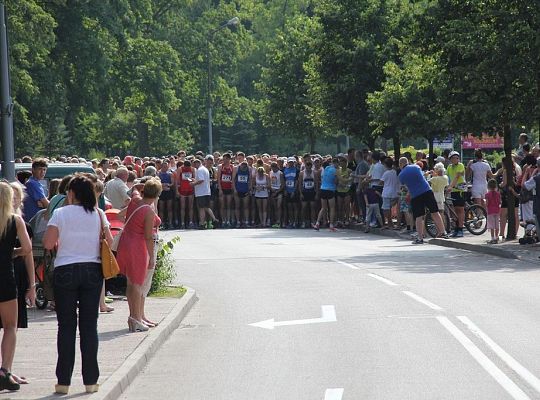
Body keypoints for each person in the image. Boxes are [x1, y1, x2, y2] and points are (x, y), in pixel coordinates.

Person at [43, 175, 111, 394]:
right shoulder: (98, 214)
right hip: (92, 270)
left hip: (65, 270)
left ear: (71, 193)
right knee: (89, 327)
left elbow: (48, 243)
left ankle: (63, 382)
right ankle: (91, 381)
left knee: (66, 326)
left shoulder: (60, 213)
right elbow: (109, 241)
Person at [115, 178, 162, 333]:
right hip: (137, 246)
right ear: (158, 194)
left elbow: (135, 188)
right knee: (137, 283)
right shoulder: (148, 210)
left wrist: (142, 186)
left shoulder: (135, 201)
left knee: (131, 283)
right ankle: (135, 318)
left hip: (126, 244)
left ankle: (133, 316)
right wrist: (152, 257)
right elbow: (148, 236)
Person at [0, 182, 33, 392]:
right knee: (10, 326)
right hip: (5, 276)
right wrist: (13, 252)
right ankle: (5, 370)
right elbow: (28, 248)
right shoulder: (15, 220)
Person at [398, 157, 446, 244]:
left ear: (400, 164)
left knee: (419, 217)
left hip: (415, 195)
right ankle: (443, 232)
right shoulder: (416, 167)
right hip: (427, 191)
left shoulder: (401, 175)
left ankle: (420, 238)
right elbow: (421, 176)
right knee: (435, 212)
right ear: (408, 162)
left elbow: (404, 184)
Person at [192, 156, 219, 229]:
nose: (194, 166)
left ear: (197, 163)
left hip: (201, 192)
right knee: (206, 207)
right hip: (206, 191)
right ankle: (214, 219)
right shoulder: (205, 169)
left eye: (194, 164)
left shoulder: (200, 170)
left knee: (201, 208)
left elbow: (201, 180)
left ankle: (202, 223)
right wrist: (195, 180)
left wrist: (193, 183)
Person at [313, 158, 339, 232]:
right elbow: (336, 181)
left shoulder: (327, 168)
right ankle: (331, 225)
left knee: (323, 208)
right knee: (332, 208)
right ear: (335, 163)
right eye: (338, 164)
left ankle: (317, 223)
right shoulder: (336, 171)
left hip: (323, 189)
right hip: (330, 190)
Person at [446, 151, 466, 237]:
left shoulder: (460, 165)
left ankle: (460, 229)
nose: (456, 159)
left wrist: (450, 186)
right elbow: (448, 178)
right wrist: (446, 186)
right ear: (450, 159)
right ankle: (456, 229)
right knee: (455, 211)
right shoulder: (449, 167)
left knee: (460, 210)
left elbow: (457, 177)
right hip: (453, 190)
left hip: (460, 189)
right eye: (453, 158)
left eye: (457, 158)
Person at [380, 158, 400, 229]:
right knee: (390, 208)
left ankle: (389, 223)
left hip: (386, 192)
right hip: (395, 192)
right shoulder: (395, 172)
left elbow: (381, 182)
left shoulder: (386, 173)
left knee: (386, 209)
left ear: (385, 165)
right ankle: (391, 223)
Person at [176, 160, 196, 229]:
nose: (187, 168)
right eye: (186, 167)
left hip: (190, 189)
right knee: (183, 207)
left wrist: (193, 180)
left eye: (188, 167)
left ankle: (190, 222)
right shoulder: (180, 169)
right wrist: (177, 191)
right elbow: (177, 180)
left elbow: (195, 179)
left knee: (190, 206)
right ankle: (182, 223)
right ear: (183, 165)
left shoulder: (193, 169)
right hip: (182, 190)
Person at [218, 153, 234, 228]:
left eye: (225, 159)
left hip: (229, 188)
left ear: (229, 159)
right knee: (222, 205)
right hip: (222, 188)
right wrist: (220, 189)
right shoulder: (220, 167)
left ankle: (228, 220)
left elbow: (233, 179)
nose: (224, 160)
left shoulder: (232, 167)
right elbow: (218, 179)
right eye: (223, 159)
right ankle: (223, 221)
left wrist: (233, 188)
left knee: (228, 205)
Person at [233, 161, 252, 228]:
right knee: (237, 206)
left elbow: (250, 179)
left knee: (246, 206)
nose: (243, 168)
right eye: (242, 167)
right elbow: (233, 179)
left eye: (245, 167)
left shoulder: (249, 169)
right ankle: (238, 222)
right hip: (238, 190)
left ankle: (246, 221)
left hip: (245, 190)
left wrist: (250, 189)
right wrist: (234, 189)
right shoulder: (236, 169)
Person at [157, 161, 174, 229]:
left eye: (166, 166)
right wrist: (162, 185)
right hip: (161, 192)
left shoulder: (170, 174)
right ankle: (161, 223)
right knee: (161, 208)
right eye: (164, 166)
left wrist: (168, 185)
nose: (165, 168)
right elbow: (157, 182)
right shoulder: (158, 173)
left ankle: (170, 223)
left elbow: (172, 183)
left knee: (169, 208)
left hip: (168, 191)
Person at [485, 179, 501, 244]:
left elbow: (487, 203)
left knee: (491, 225)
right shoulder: (498, 194)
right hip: (497, 210)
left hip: (490, 211)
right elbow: (499, 202)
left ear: (488, 186)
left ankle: (492, 238)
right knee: (497, 224)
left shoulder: (487, 194)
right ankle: (496, 236)